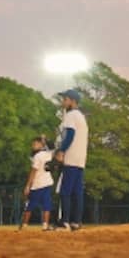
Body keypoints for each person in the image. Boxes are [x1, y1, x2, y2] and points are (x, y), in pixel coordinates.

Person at [56, 89, 89, 231]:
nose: (63, 102)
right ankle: (76, 222)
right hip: (80, 159)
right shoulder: (81, 116)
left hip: (71, 157)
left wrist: (61, 151)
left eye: (65, 99)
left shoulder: (70, 115)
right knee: (77, 192)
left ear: (72, 101)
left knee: (65, 191)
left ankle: (65, 222)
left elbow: (70, 135)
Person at [21, 136, 55, 231]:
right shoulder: (48, 154)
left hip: (37, 184)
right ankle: (45, 225)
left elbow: (33, 171)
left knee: (30, 206)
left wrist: (28, 185)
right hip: (47, 183)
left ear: (41, 145)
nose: (33, 146)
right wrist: (46, 139)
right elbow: (53, 147)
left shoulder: (37, 156)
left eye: (36, 144)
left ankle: (24, 225)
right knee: (46, 205)